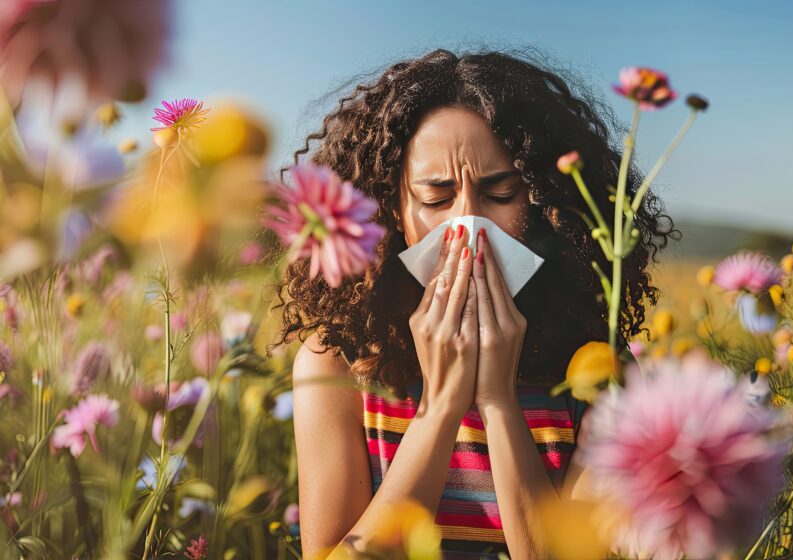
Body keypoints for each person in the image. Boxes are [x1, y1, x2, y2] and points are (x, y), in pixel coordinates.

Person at [278, 48, 675, 559]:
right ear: (392, 207)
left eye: (500, 192)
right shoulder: (333, 364)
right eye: (437, 198)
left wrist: (498, 405)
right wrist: (439, 410)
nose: (468, 225)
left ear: (542, 204)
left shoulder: (598, 373)